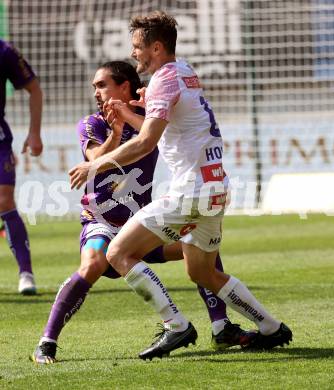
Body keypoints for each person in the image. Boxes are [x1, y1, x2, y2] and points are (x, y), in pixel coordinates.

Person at [69, 11, 292, 361]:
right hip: (215, 187)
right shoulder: (184, 71)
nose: (134, 55)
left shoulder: (163, 80)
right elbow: (177, 118)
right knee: (200, 270)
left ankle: (176, 326)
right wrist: (141, 108)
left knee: (119, 253)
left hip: (190, 190)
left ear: (156, 47)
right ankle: (270, 327)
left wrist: (95, 163)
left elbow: (145, 143)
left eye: (137, 48)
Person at [31, 61, 256, 364]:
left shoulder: (151, 120)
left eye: (102, 85)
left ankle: (221, 326)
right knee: (93, 263)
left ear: (124, 87)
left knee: (197, 243)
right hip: (102, 221)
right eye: (94, 87)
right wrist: (117, 131)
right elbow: (96, 157)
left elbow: (164, 137)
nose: (95, 92)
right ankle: (47, 342)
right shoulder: (91, 123)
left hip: (141, 225)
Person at [0, 39, 43, 295]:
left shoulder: (5, 52)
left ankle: (25, 273)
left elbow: (34, 89)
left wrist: (34, 133)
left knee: (4, 200)